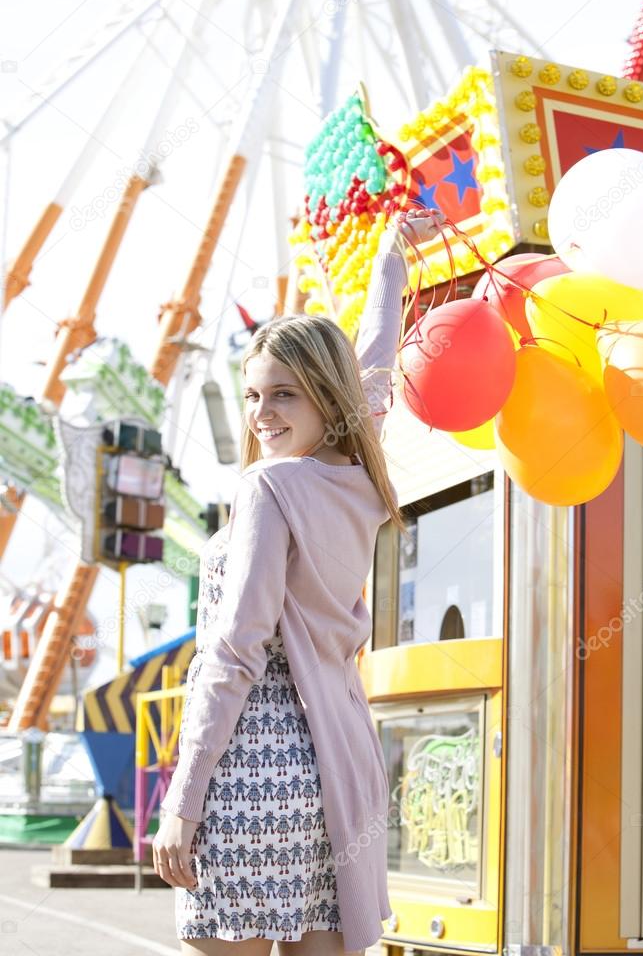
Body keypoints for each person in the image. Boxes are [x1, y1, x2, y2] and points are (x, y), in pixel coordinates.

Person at [153, 209, 445, 956]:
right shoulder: (358, 472)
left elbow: (234, 652)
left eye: (280, 394)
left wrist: (182, 806)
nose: (261, 414)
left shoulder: (271, 487)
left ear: (320, 392)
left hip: (253, 771)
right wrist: (388, 262)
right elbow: (373, 366)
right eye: (253, 396)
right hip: (336, 774)